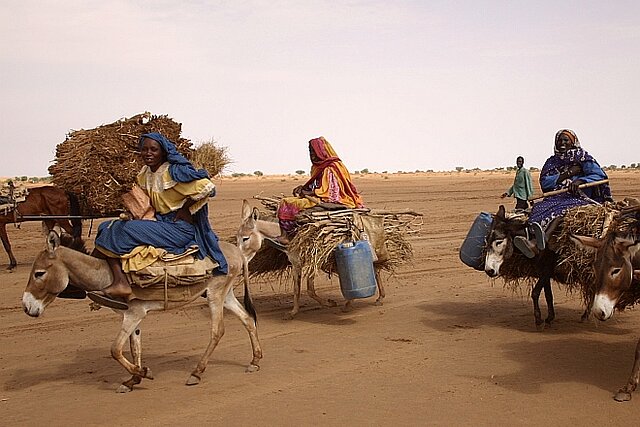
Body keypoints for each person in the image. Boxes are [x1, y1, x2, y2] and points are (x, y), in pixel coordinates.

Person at [90, 132, 228, 305]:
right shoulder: (145, 174)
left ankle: (120, 283)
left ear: (163, 152)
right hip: (159, 223)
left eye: (153, 149)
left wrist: (186, 208)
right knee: (106, 226)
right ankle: (105, 278)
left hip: (178, 229)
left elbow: (208, 188)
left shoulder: (173, 172)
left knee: (122, 230)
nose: (148, 153)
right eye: (144, 149)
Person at [513, 129, 612, 258]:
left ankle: (542, 240)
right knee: (538, 208)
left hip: (579, 197)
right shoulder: (552, 161)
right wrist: (568, 173)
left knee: (561, 211)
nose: (562, 143)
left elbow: (599, 175)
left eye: (566, 140)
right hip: (557, 196)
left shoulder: (583, 157)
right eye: (559, 140)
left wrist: (580, 181)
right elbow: (545, 183)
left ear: (573, 142)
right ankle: (532, 240)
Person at [276, 136, 364, 244]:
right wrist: (304, 188)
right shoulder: (318, 167)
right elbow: (318, 185)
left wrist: (309, 193)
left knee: (287, 203)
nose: (312, 155)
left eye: (314, 152)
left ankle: (286, 237)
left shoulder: (331, 167)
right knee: (289, 200)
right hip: (319, 196)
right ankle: (289, 235)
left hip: (334, 200)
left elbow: (332, 192)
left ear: (321, 151)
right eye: (310, 152)